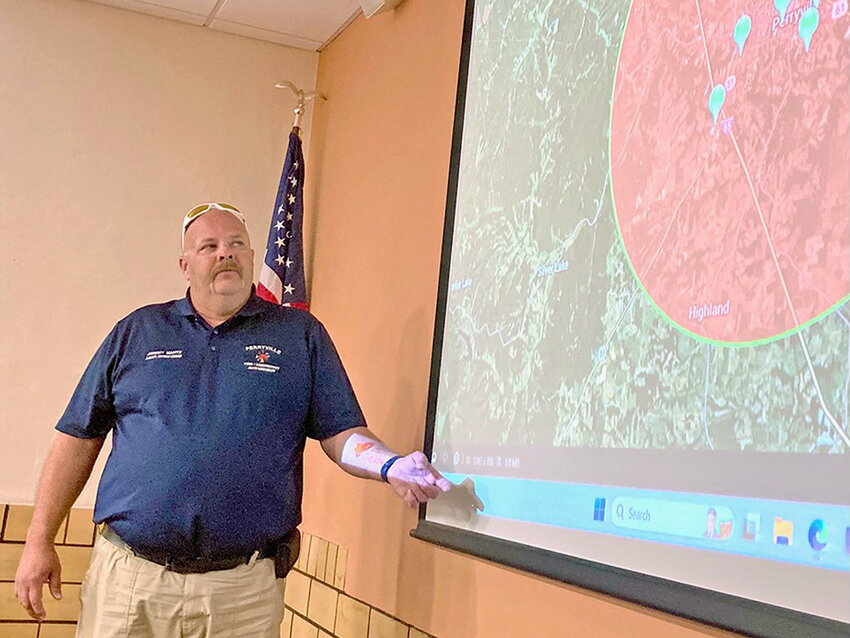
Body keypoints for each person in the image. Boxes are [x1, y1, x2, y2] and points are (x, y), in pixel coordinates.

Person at [14, 202, 451, 637]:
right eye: (209, 246)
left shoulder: (299, 336)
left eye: (236, 243)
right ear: (185, 265)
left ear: (251, 256)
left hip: (243, 592)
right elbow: (77, 437)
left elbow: (341, 433)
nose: (225, 253)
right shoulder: (137, 332)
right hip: (129, 581)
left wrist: (389, 464)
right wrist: (38, 541)